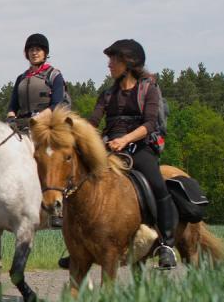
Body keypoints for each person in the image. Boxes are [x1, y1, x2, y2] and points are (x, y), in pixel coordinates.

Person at [58, 39, 176, 270]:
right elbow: (93, 122)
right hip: (108, 148)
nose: (109, 65)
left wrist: (125, 139)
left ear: (129, 63)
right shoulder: (107, 94)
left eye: (114, 60)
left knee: (157, 185)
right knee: (79, 181)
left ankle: (166, 244)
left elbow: (150, 124)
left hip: (140, 147)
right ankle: (76, 247)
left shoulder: (148, 90)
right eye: (110, 60)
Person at [7, 33, 67, 125]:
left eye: (38, 50)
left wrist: (36, 119)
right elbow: (12, 106)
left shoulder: (54, 75)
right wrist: (11, 118)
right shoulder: (21, 78)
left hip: (47, 125)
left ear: (45, 53)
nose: (34, 53)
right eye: (31, 50)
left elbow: (56, 105)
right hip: (22, 124)